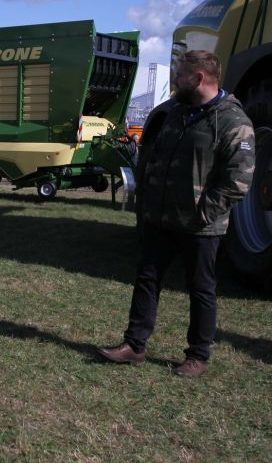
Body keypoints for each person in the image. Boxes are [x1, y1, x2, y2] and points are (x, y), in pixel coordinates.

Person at [97, 50, 255, 378]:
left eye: (180, 74)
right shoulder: (173, 112)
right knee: (147, 280)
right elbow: (150, 158)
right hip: (160, 219)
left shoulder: (233, 121)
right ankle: (134, 346)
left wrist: (201, 214)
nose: (175, 80)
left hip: (200, 226)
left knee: (201, 289)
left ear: (198, 78)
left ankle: (197, 356)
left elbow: (237, 181)